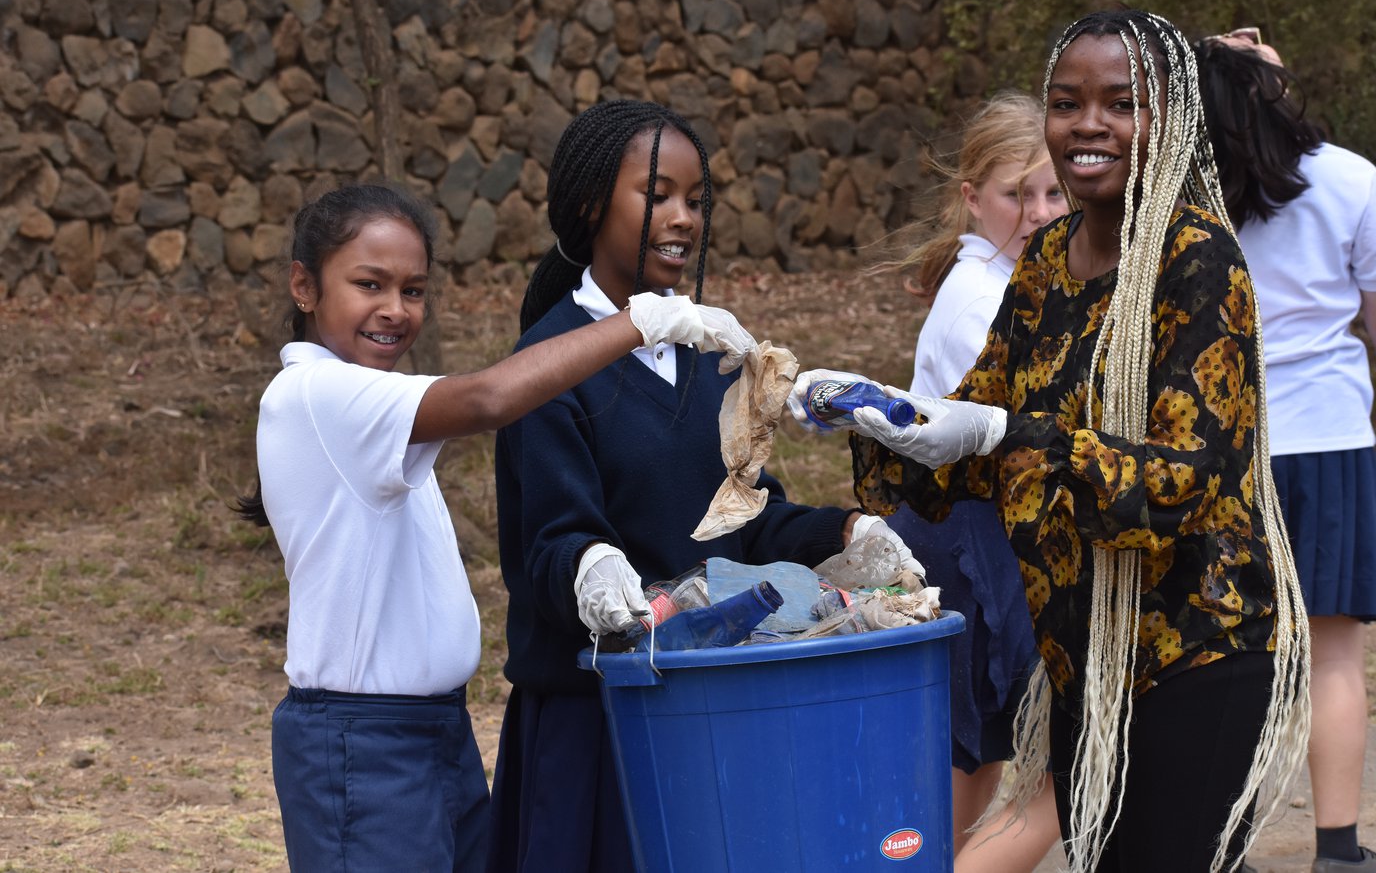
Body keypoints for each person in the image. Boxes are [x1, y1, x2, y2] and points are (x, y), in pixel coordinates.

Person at [787, 9, 1311, 873]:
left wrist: (1007, 432)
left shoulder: (1199, 260)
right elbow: (972, 426)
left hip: (1197, 646)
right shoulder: (1047, 259)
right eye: (1067, 104)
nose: (1089, 124)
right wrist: (878, 416)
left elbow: (1185, 483)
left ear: (1168, 118)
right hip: (1080, 659)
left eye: (1121, 103)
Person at [233, 182, 757, 872]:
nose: (394, 309)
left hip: (434, 730)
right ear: (304, 285)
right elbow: (489, 398)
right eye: (369, 284)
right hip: (361, 740)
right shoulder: (314, 393)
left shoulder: (368, 400)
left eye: (413, 290)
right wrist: (640, 323)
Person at [486, 100, 922, 873]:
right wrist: (590, 565)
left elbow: (742, 525)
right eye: (657, 195)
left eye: (695, 199)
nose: (682, 217)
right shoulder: (549, 364)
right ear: (590, 202)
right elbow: (552, 543)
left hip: (713, 715)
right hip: (596, 725)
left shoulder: (706, 357)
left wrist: (842, 536)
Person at [1195, 31, 1376, 873]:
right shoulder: (1350, 179)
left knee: (1226, 656)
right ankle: (1337, 850)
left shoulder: (1187, 191)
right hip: (1333, 442)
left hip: (1220, 447)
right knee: (1334, 652)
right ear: (1273, 87)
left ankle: (1219, 842)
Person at [882, 92, 1064, 871]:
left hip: (979, 532)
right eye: (1014, 193)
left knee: (976, 757)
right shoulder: (978, 301)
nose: (1037, 211)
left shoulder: (1023, 278)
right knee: (1065, 764)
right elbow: (1032, 440)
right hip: (971, 537)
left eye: (1052, 191)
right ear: (970, 199)